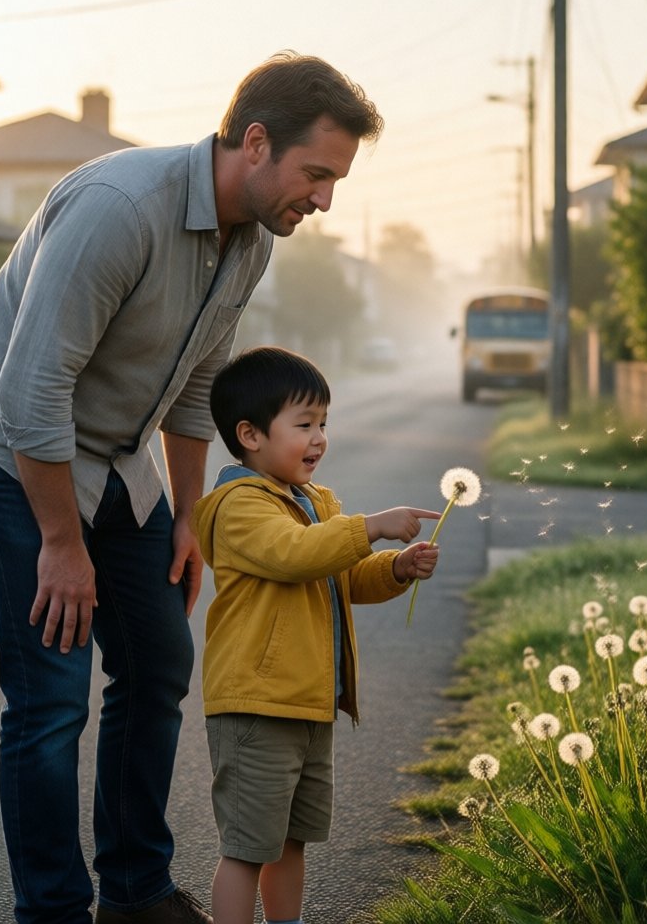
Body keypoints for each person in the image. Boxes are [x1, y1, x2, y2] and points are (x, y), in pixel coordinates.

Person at [0, 53, 382, 924]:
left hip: (117, 458)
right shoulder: (119, 207)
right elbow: (30, 387)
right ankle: (53, 910)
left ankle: (134, 891)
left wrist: (189, 516)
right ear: (256, 143)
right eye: (317, 173)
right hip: (12, 451)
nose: (325, 199)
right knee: (51, 694)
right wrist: (62, 545)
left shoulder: (251, 239)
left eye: (335, 181)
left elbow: (201, 383)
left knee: (159, 662)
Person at [192, 346, 441, 924]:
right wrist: (370, 526)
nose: (320, 438)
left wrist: (396, 567)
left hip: (307, 703)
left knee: (291, 839)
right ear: (250, 435)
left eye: (323, 423)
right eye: (304, 424)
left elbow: (342, 576)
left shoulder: (315, 502)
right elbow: (296, 554)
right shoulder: (238, 507)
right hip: (256, 706)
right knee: (247, 847)